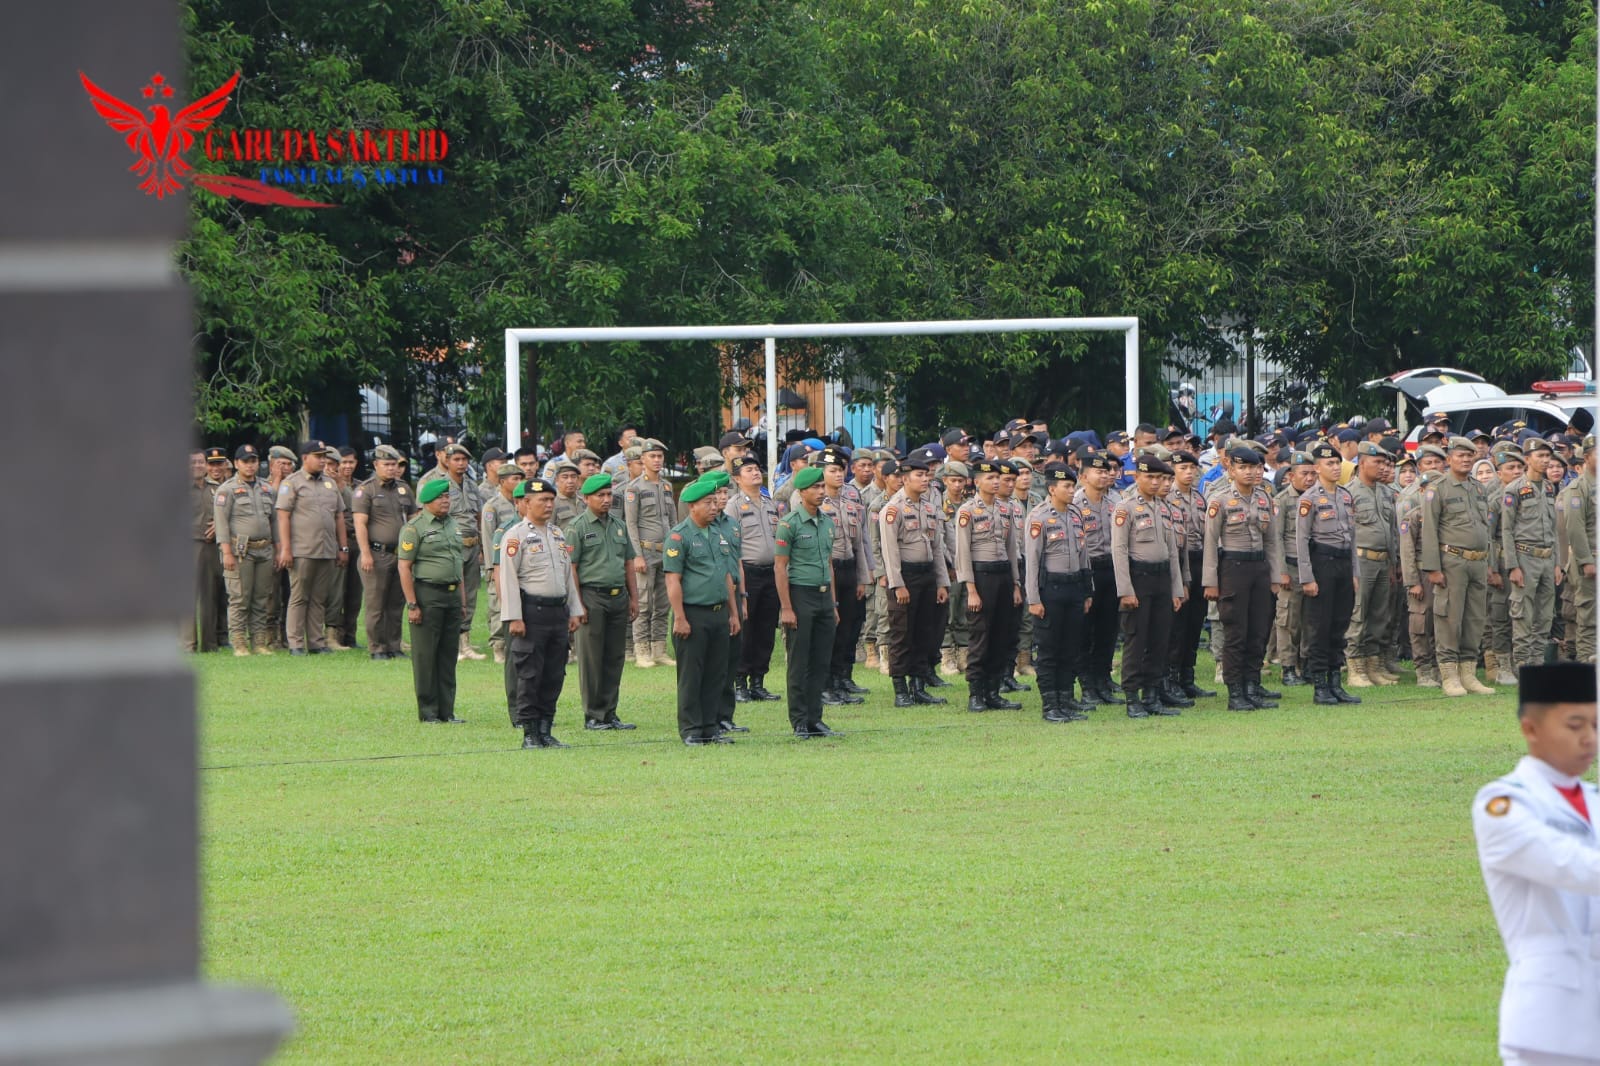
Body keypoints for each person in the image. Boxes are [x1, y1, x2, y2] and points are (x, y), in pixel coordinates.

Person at [1471, 661, 1600, 1066]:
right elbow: (1569, 865)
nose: (1589, 739)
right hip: (1549, 1024)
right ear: (1531, 730)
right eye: (1575, 725)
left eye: (1595, 725)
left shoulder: (1595, 800)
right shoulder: (1503, 804)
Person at [499, 478, 584, 749]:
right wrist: (514, 616)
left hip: (557, 612)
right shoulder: (515, 536)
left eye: (551, 500)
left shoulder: (558, 535)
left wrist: (574, 610)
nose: (549, 505)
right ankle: (530, 733)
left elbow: (566, 576)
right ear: (525, 503)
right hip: (530, 613)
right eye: (542, 501)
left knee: (554, 673)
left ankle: (546, 730)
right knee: (529, 675)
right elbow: (508, 579)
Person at [1202, 446, 1285, 711]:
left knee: (1258, 630)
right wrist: (1211, 582)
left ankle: (1252, 686)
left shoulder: (1264, 499)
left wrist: (1275, 575)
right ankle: (1235, 691)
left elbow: (1272, 541)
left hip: (1259, 568)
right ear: (1231, 470)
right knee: (1236, 632)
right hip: (1232, 568)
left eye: (1255, 468)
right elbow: (1210, 543)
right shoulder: (1221, 501)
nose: (1250, 473)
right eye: (1244, 468)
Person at [663, 479, 741, 745]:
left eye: (715, 502)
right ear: (692, 506)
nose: (714, 507)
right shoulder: (679, 536)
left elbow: (727, 577)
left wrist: (733, 613)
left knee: (716, 674)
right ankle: (691, 729)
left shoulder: (718, 534)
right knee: (691, 675)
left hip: (719, 612)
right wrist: (680, 617)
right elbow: (673, 580)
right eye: (707, 503)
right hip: (693, 614)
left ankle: (710, 726)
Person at [1420, 436, 1498, 697]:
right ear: (1449, 458)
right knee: (1449, 619)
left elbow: (1485, 528)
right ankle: (1449, 675)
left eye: (1469, 455)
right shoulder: (1438, 488)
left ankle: (1468, 674)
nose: (1465, 459)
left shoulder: (1478, 488)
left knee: (1475, 619)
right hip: (1451, 561)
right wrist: (1432, 567)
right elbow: (1428, 530)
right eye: (1460, 455)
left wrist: (1489, 562)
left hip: (1478, 561)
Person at [1111, 456, 1186, 718]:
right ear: (1136, 477)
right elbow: (1118, 550)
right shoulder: (1126, 507)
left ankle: (1152, 694)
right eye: (1150, 477)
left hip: (1162, 578)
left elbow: (1173, 551)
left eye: (1160, 478)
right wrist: (1125, 590)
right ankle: (1132, 696)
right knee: (1136, 638)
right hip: (1138, 578)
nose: (1155, 482)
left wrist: (1177, 589)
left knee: (1159, 638)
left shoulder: (1164, 507)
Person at [775, 467, 843, 738]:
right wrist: (787, 607)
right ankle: (800, 721)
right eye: (814, 488)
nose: (820, 492)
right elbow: (780, 568)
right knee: (799, 662)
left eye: (821, 487)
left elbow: (829, 564)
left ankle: (816, 719)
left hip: (824, 596)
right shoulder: (789, 524)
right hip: (800, 594)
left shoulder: (827, 522)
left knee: (820, 662)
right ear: (801, 492)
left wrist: (834, 604)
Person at [879, 454, 951, 706]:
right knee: (901, 632)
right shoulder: (893, 509)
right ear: (904, 479)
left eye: (927, 475)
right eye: (919, 475)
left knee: (925, 632)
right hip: (905, 575)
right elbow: (889, 551)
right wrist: (898, 584)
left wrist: (942, 582)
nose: (925, 479)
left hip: (927, 574)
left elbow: (938, 547)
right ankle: (900, 688)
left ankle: (918, 685)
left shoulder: (929, 507)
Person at [1024, 462, 1093, 721]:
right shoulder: (1039, 516)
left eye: (1073, 486)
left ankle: (1066, 698)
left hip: (1074, 588)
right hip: (1050, 590)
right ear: (1052, 489)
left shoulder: (1076, 515)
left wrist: (1087, 592)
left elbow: (1084, 556)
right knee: (1050, 650)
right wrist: (1034, 598)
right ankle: (1050, 704)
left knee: (1070, 647)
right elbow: (1032, 561)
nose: (1071, 491)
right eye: (1066, 486)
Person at [1295, 443, 1362, 706]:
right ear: (1316, 467)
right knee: (1320, 626)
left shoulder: (1346, 496)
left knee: (1339, 624)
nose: (1335, 468)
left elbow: (1353, 537)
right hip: (1321, 562)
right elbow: (1301, 541)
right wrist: (1307, 577)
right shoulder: (1309, 498)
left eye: (1337, 463)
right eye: (1329, 464)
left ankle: (1336, 681)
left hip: (1344, 563)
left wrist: (1354, 572)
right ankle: (1320, 684)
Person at [954, 459, 1023, 712]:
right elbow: (962, 554)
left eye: (998, 478)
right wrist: (971, 589)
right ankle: (976, 693)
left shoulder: (1006, 510)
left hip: (1004, 576)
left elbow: (1012, 550)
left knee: (1001, 636)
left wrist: (1015, 584)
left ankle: (993, 691)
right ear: (977, 481)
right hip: (981, 578)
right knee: (980, 636)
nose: (995, 482)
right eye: (990, 478)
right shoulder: (968, 511)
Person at [397, 479, 466, 723]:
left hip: (452, 594)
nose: (445, 501)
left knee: (448, 655)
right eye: (440, 497)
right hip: (427, 594)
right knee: (426, 656)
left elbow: (458, 562)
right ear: (426, 502)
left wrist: (463, 598)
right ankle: (428, 712)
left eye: (447, 497)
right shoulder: (414, 528)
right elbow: (404, 567)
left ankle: (447, 710)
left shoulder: (452, 525)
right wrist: (413, 604)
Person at [275, 440, 349, 655]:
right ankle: (296, 643)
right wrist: (286, 549)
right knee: (299, 597)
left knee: (318, 597)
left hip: (326, 548)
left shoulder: (330, 483)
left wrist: (342, 547)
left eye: (324, 456)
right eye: (318, 456)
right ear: (305, 458)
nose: (323, 460)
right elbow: (283, 516)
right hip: (302, 549)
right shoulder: (292, 482)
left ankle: (316, 642)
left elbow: (339, 516)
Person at [419, 444, 487, 662]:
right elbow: (425, 515)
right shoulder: (435, 483)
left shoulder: (471, 484)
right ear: (446, 461)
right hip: (448, 545)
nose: (461, 464)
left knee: (471, 594)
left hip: (471, 544)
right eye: (456, 459)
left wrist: (482, 546)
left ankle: (465, 642)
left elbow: (477, 516)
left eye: (464, 460)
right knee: (452, 593)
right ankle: (452, 644)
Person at [1501, 438, 1561, 674]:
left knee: (1545, 614)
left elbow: (1553, 528)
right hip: (1525, 557)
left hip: (1547, 558)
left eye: (1548, 456)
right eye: (1540, 456)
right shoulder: (1513, 489)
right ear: (1527, 459)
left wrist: (1557, 563)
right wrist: (1512, 566)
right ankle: (1523, 663)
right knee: (1523, 613)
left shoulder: (1548, 487)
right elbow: (1506, 530)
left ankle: (1537, 663)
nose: (1546, 460)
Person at [726, 454, 782, 702]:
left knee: (766, 628)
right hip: (747, 572)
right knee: (746, 629)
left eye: (757, 469)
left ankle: (758, 680)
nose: (755, 472)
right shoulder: (734, 505)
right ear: (737, 479)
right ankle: (740, 682)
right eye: (748, 470)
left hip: (771, 573)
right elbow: (731, 544)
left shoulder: (771, 504)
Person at [820, 447, 873, 703]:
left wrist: (863, 577)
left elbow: (861, 543)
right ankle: (826, 682)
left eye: (841, 470)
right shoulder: (813, 501)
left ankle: (842, 678)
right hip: (827, 571)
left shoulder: (852, 500)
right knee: (831, 627)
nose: (839, 475)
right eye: (832, 470)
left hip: (850, 569)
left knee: (850, 627)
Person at [1345, 442, 1400, 687]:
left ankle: (1373, 664)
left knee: (1380, 614)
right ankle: (1355, 666)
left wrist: (1393, 563)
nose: (1381, 467)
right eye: (1376, 462)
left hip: (1382, 561)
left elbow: (1392, 530)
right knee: (1358, 614)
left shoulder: (1387, 493)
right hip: (1360, 560)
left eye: (1384, 463)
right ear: (1362, 463)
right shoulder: (1349, 493)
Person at [213, 444, 276, 655]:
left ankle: (258, 642)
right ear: (237, 463)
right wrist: (227, 552)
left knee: (260, 598)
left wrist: (278, 547)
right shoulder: (227, 490)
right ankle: (239, 642)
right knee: (240, 597)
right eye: (245, 461)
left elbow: (274, 521)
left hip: (265, 549)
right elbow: (221, 523)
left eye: (253, 461)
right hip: (240, 550)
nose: (250, 465)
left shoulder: (267, 488)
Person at [1074, 447, 1124, 704]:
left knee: (1108, 629)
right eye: (1097, 472)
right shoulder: (1074, 504)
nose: (1104, 476)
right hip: (1088, 569)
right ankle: (1087, 685)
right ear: (1082, 476)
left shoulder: (1117, 502)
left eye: (1107, 471)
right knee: (1086, 631)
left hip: (1112, 569)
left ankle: (1103, 680)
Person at [1166, 450, 1213, 699]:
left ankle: (1187, 676)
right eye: (1183, 468)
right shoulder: (1167, 498)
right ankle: (1172, 679)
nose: (1188, 472)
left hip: (1199, 560)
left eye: (1192, 468)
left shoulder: (1199, 498)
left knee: (1195, 622)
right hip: (1178, 562)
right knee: (1177, 626)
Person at [626, 438, 677, 668]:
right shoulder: (634, 488)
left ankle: (659, 649)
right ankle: (642, 651)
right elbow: (631, 524)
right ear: (642, 459)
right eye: (652, 457)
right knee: (644, 603)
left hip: (665, 552)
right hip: (645, 552)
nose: (657, 460)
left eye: (659, 456)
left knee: (663, 603)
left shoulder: (666, 486)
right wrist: (636, 554)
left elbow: (673, 520)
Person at [479, 463, 524, 667]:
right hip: (498, 562)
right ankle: (498, 645)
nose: (518, 482)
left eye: (520, 478)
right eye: (514, 478)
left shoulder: (523, 503)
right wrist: (490, 567)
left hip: (520, 562)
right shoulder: (492, 506)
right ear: (502, 481)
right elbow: (488, 539)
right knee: (497, 605)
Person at [1559, 437, 1596, 664]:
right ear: (1587, 458)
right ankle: (1586, 662)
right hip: (1591, 558)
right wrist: (1585, 560)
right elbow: (1574, 527)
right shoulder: (1577, 488)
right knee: (1588, 614)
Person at [186, 448, 228, 652]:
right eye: (193, 462)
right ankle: (188, 644)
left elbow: (226, 513)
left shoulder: (217, 488)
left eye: (201, 462)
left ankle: (210, 644)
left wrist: (218, 528)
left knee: (210, 595)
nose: (197, 466)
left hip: (212, 546)